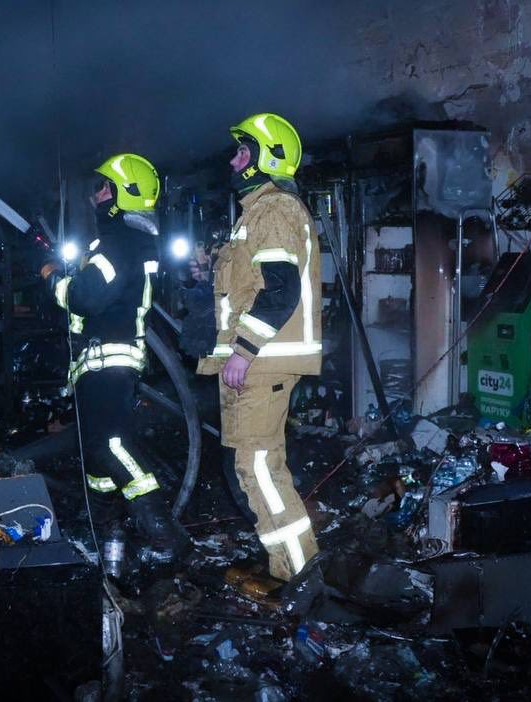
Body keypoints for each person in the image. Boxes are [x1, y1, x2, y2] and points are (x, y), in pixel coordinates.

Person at [42, 153, 189, 564]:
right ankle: (111, 542)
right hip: (97, 363)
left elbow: (85, 298)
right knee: (97, 460)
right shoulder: (119, 244)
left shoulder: (119, 244)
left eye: (106, 187)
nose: (98, 195)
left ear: (126, 194)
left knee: (112, 446)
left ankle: (165, 534)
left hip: (108, 361)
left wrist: (52, 279)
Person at [195, 113, 322, 582]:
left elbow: (280, 289)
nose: (234, 161)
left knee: (261, 470)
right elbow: (249, 287)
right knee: (252, 471)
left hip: (263, 362)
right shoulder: (256, 214)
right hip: (256, 364)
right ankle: (287, 570)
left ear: (267, 158)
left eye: (243, 151)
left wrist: (244, 350)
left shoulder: (275, 211)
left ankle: (304, 578)